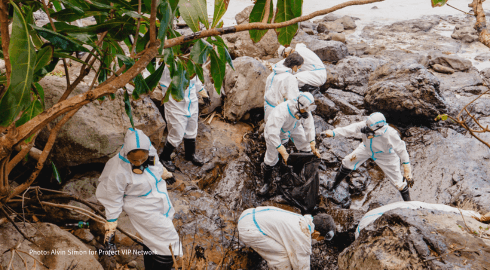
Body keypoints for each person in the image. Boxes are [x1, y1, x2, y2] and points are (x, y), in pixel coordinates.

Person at [96, 128, 181, 270]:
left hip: (157, 197)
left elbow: (156, 163)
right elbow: (113, 198)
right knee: (169, 244)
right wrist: (111, 227)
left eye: (143, 158)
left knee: (152, 239)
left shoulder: (149, 150)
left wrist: (165, 174)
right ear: (126, 154)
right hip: (140, 206)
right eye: (134, 160)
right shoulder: (118, 170)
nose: (139, 162)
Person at [324, 112, 413, 201]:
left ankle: (409, 204)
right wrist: (334, 132)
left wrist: (407, 170)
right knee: (348, 161)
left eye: (369, 127)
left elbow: (401, 150)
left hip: (385, 156)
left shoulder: (390, 134)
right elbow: (353, 128)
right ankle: (334, 184)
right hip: (366, 149)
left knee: (398, 182)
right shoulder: (367, 124)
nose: (366, 127)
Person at [260, 92, 320, 195]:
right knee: (272, 158)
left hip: (293, 127)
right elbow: (272, 133)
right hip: (275, 133)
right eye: (305, 110)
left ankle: (297, 172)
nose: (307, 112)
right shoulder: (281, 112)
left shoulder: (304, 108)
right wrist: (282, 150)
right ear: (298, 105)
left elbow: (309, 125)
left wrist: (312, 143)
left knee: (305, 145)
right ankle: (266, 182)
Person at [238, 206, 335, 270]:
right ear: (317, 234)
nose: (318, 241)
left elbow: (305, 239)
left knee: (285, 246)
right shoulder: (302, 237)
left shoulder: (302, 220)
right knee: (283, 257)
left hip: (249, 214)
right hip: (248, 229)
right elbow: (301, 266)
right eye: (320, 239)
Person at [159, 67, 210, 172]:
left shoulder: (191, 64)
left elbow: (196, 80)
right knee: (177, 133)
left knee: (191, 130)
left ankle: (190, 154)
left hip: (192, 103)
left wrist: (203, 93)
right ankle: (164, 157)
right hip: (175, 106)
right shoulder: (166, 67)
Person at [264, 52, 304, 122]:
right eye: (299, 68)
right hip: (279, 113)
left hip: (267, 109)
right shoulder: (289, 78)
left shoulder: (273, 73)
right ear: (295, 67)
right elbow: (293, 99)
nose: (299, 70)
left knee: (269, 130)